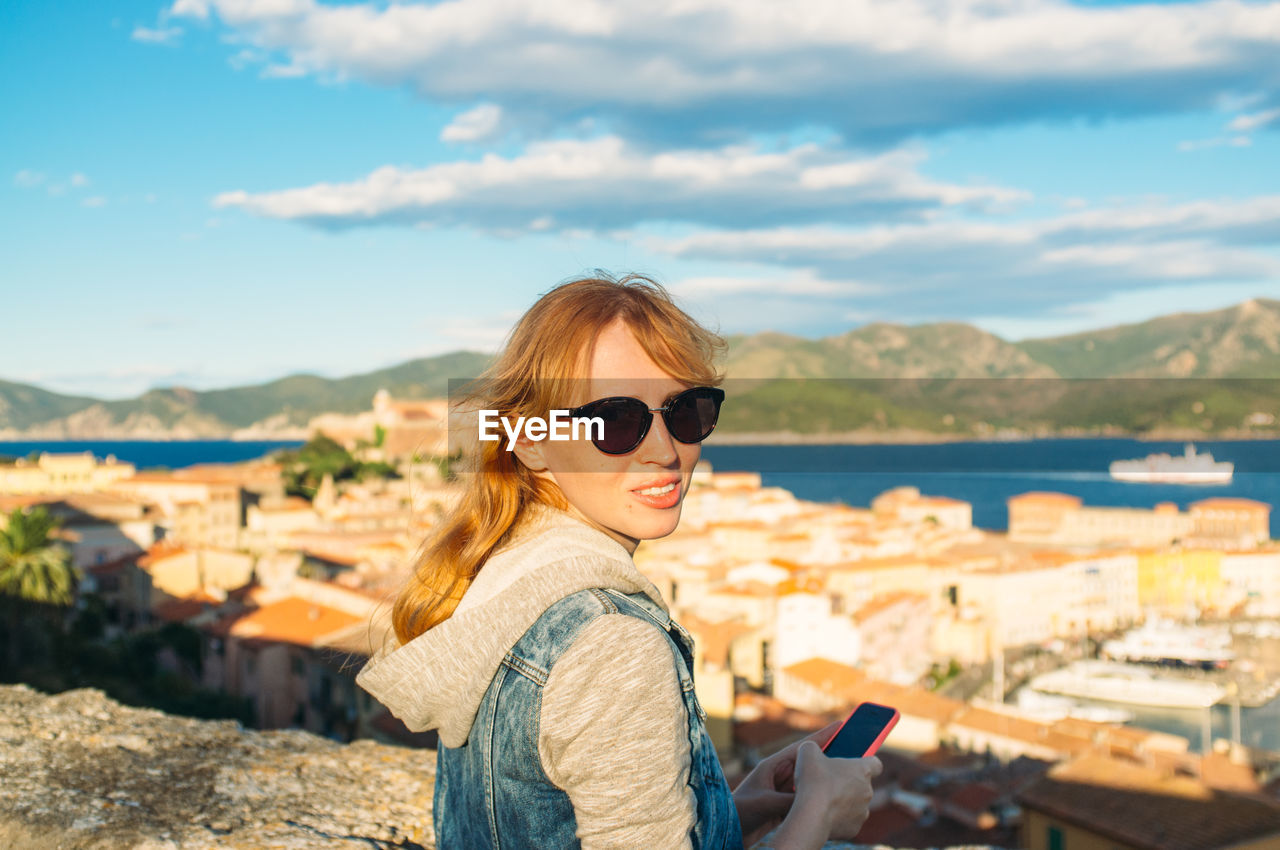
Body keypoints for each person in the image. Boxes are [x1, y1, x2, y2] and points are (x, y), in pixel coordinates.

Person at [356, 274, 881, 849]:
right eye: (615, 421)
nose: (665, 451)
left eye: (686, 411)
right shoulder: (612, 644)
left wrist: (738, 807)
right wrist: (820, 812)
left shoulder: (506, 583)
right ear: (529, 441)